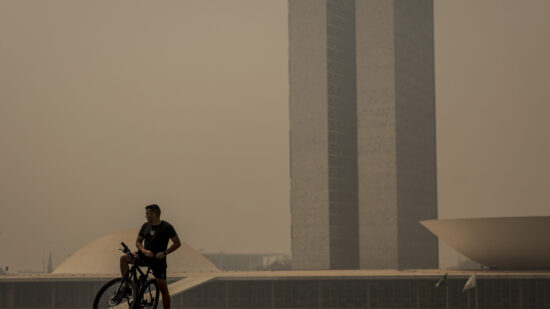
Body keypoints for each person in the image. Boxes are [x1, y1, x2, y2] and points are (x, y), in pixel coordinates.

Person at [117, 204, 181, 309]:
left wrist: (164, 253)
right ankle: (127, 287)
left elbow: (177, 243)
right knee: (124, 258)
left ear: (154, 214)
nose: (146, 216)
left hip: (158, 260)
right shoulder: (145, 226)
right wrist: (144, 250)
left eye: (147, 214)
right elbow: (138, 242)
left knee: (164, 290)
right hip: (144, 255)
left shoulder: (167, 227)